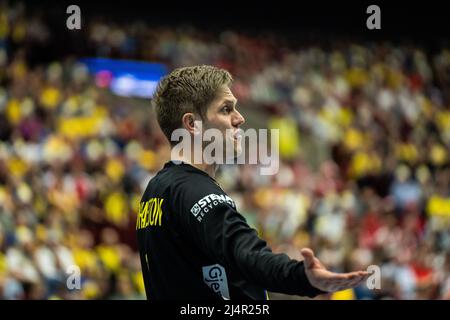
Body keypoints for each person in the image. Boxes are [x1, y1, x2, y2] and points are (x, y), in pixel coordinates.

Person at [136, 65, 369, 300]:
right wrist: (301, 276)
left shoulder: (156, 191)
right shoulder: (195, 192)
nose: (240, 118)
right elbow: (244, 251)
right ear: (192, 124)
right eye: (226, 109)